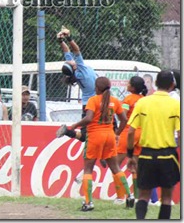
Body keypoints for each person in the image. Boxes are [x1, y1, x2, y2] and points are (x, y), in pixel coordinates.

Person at [69, 77, 134, 211]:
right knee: (115, 167)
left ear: (97, 88)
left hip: (95, 136)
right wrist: (117, 134)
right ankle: (129, 195)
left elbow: (88, 118)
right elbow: (124, 119)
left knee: (88, 169)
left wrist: (75, 124)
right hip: (109, 135)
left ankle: (88, 203)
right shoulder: (114, 101)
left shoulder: (93, 100)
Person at [127, 70, 180, 219]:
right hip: (168, 155)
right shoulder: (176, 104)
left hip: (146, 154)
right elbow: (180, 133)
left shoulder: (143, 102)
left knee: (143, 195)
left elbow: (131, 132)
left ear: (155, 83)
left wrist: (130, 155)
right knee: (167, 197)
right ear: (172, 85)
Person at [55, 26, 96, 142]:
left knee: (84, 136)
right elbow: (76, 50)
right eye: (70, 62)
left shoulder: (75, 71)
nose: (69, 59)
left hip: (86, 104)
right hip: (95, 104)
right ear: (74, 67)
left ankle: (67, 131)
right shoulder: (81, 69)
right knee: (108, 127)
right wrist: (69, 37)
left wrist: (60, 41)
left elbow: (66, 51)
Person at [115, 76, 148, 204]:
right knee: (136, 165)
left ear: (132, 87)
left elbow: (122, 114)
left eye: (128, 83)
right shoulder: (144, 99)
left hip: (129, 131)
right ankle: (138, 195)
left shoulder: (128, 99)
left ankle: (121, 196)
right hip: (142, 133)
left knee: (115, 164)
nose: (126, 84)